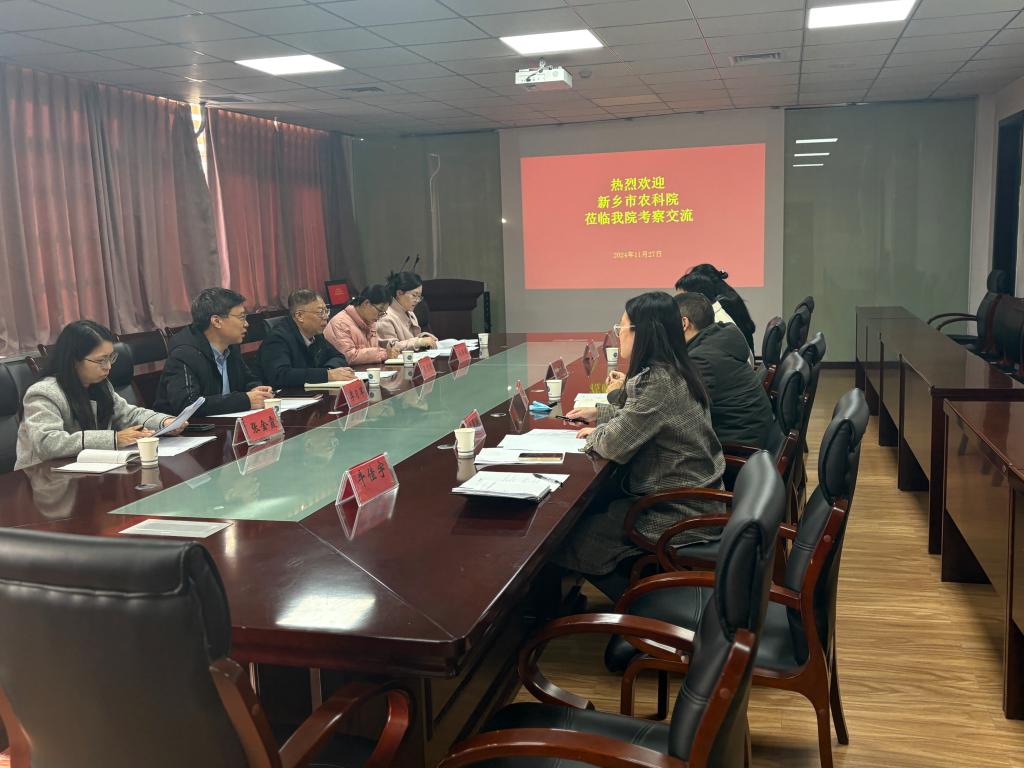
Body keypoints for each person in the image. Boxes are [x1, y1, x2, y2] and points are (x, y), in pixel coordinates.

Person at [560, 291, 725, 601]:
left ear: (644, 332)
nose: (618, 334)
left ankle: (647, 603)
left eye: (622, 327)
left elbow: (613, 444)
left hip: (677, 511)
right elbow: (642, 417)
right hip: (693, 496)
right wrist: (602, 414)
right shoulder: (674, 368)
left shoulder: (658, 382)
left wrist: (594, 434)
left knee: (569, 539)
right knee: (594, 512)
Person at [15, 320, 185, 470]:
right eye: (101, 360)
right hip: (43, 480)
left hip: (89, 470)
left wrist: (165, 422)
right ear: (74, 360)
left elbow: (128, 414)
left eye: (111, 358)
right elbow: (47, 443)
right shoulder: (44, 393)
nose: (108, 366)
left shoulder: (99, 385)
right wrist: (114, 439)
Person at [675, 292, 774, 448]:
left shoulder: (702, 359)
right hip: (749, 433)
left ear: (683, 323)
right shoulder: (718, 339)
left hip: (739, 446)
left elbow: (681, 415)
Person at [155, 288, 272, 416]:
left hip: (223, 421)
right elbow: (188, 404)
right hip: (186, 427)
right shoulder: (184, 353)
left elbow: (247, 379)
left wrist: (255, 389)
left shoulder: (230, 345)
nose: (246, 324)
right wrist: (245, 400)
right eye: (241, 317)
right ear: (216, 321)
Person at [259, 289, 355, 388]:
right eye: (320, 312)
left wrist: (329, 370)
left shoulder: (316, 334)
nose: (326, 317)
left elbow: (339, 357)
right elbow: (281, 375)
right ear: (299, 316)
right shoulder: (278, 339)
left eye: (326, 311)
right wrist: (326, 375)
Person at [676, 265, 757, 351]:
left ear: (699, 297)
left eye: (681, 299)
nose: (677, 304)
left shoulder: (716, 321)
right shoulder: (724, 304)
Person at [324, 284, 401, 365]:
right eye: (379, 311)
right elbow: (349, 357)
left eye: (383, 313)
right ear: (366, 303)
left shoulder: (370, 321)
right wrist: (384, 354)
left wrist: (388, 351)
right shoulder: (340, 323)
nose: (380, 316)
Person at [376, 272, 438, 352]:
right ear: (399, 293)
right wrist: (419, 342)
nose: (417, 300)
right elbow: (391, 348)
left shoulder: (410, 312)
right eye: (414, 295)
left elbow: (412, 339)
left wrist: (423, 337)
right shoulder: (385, 317)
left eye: (419, 296)